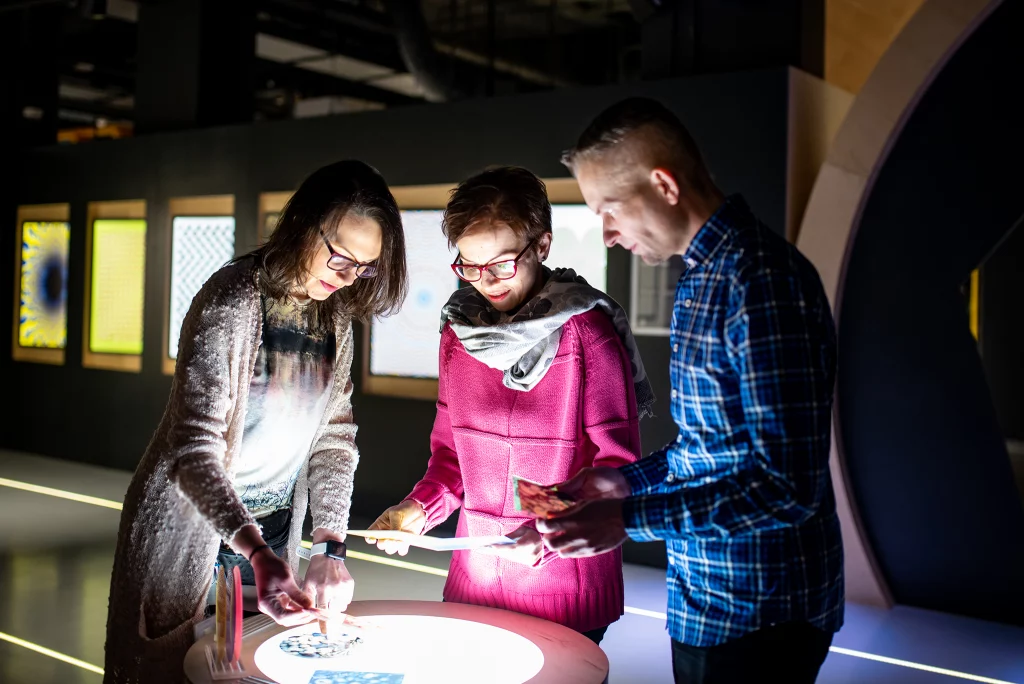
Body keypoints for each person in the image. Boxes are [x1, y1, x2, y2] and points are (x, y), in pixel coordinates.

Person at [538, 98, 844, 682]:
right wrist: (622, 482)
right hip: (710, 598)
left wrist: (626, 518)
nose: (607, 235)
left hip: (762, 610)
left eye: (610, 210)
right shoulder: (703, 276)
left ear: (664, 185)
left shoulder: (761, 280)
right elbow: (710, 447)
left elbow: (787, 486)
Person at [103, 160, 408, 683]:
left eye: (364, 267)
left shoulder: (334, 317)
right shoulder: (234, 298)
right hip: (194, 537)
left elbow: (334, 438)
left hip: (270, 537)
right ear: (303, 224)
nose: (345, 276)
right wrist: (257, 551)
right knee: (172, 671)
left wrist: (328, 546)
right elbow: (193, 450)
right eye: (339, 255)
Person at [366, 166, 652, 645]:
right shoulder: (459, 335)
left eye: (501, 264)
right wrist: (418, 509)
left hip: (563, 584)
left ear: (542, 245)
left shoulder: (588, 334)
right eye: (469, 266)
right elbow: (453, 457)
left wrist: (551, 530)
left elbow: (617, 468)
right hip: (476, 580)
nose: (486, 282)